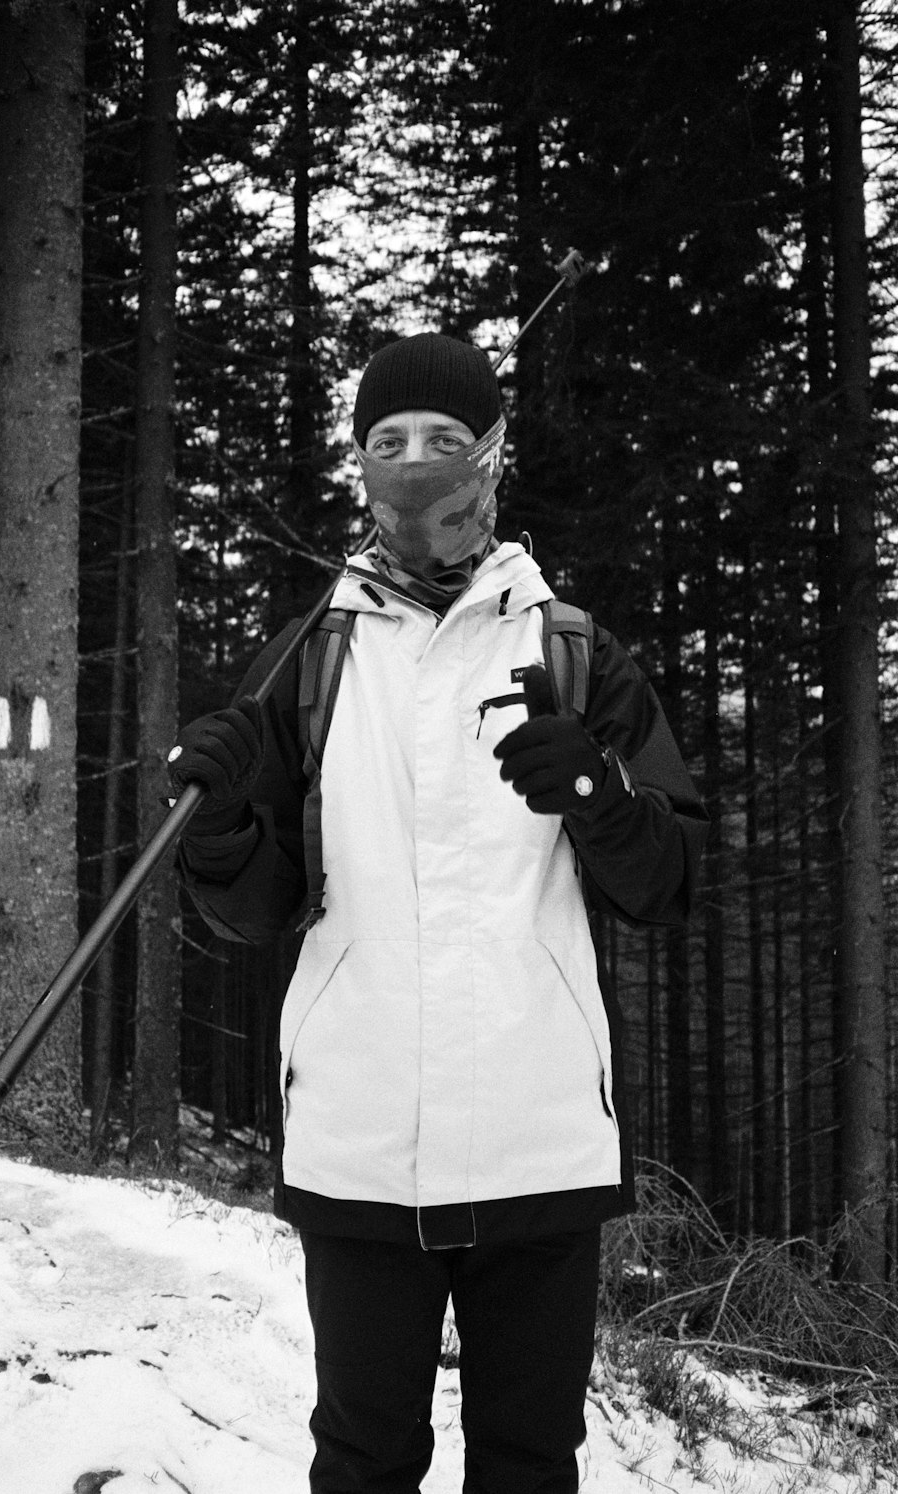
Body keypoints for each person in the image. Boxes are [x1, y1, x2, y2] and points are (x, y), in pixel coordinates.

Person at [167, 332, 708, 1494]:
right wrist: (212, 841)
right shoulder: (309, 658)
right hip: (358, 1143)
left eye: (445, 442)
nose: (414, 467)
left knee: (526, 1464)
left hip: (538, 1138)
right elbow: (263, 908)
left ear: (494, 458)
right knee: (362, 1462)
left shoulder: (573, 653)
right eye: (387, 443)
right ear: (357, 465)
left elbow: (667, 879)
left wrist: (593, 795)